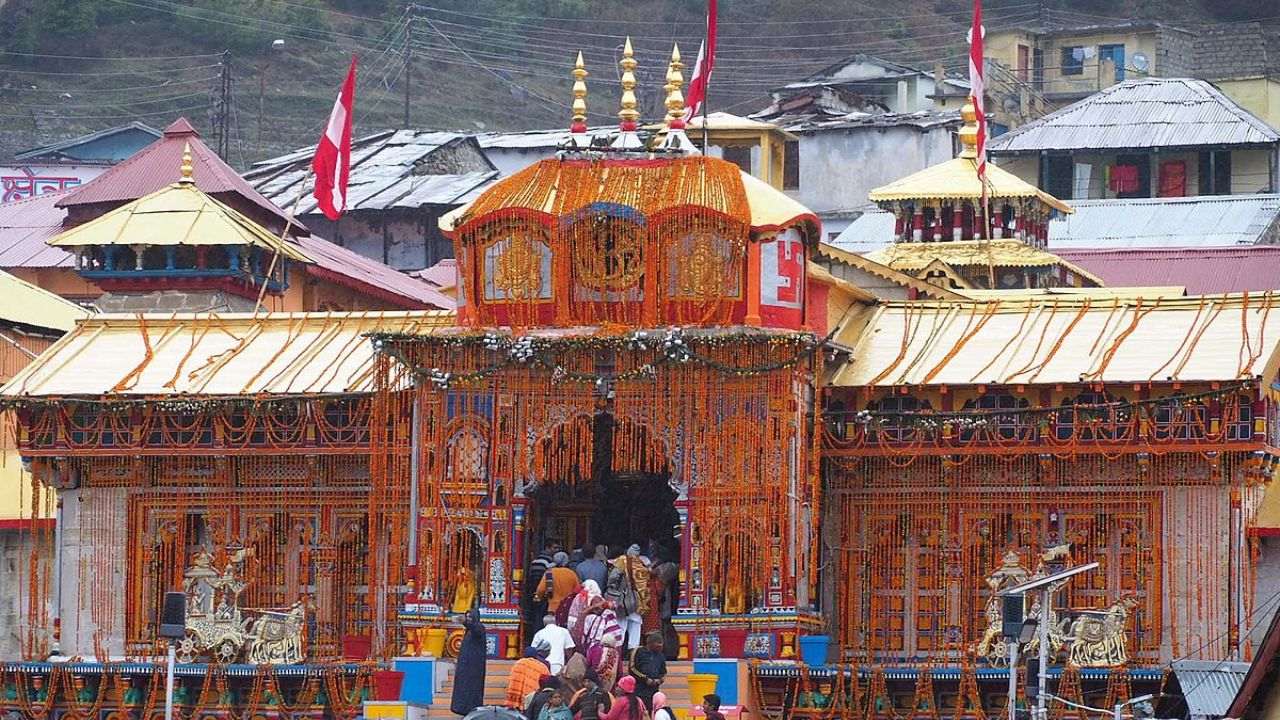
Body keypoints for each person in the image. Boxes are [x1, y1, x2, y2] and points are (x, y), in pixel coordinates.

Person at [606, 546, 650, 651]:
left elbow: (613, 577)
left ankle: (618, 656)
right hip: (639, 602)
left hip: (624, 602)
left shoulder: (622, 561)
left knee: (620, 630)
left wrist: (612, 589)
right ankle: (633, 657)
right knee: (635, 631)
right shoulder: (643, 564)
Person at [449, 609, 486, 716]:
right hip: (465, 668)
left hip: (474, 669)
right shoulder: (468, 632)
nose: (469, 620)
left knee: (472, 692)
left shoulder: (479, 628)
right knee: (463, 691)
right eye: (467, 617)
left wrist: (465, 622)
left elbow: (475, 628)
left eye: (470, 617)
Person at [581, 599, 625, 690]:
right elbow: (619, 672)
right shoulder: (615, 653)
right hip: (609, 685)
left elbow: (588, 663)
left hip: (593, 681)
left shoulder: (594, 648)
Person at [628, 631, 666, 710]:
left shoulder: (661, 655)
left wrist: (659, 680)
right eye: (658, 646)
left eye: (661, 646)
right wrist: (645, 679)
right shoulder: (638, 651)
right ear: (650, 644)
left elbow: (663, 671)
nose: (660, 648)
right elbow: (632, 668)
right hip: (639, 689)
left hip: (654, 690)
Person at [506, 644, 550, 709]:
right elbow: (547, 681)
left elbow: (512, 679)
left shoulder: (518, 663)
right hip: (532, 697)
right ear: (535, 655)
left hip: (516, 697)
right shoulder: (542, 666)